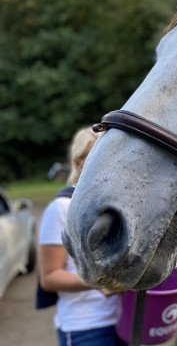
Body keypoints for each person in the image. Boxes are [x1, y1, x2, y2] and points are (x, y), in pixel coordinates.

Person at [39, 126, 126, 346]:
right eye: (98, 156)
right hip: (85, 328)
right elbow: (49, 277)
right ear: (78, 163)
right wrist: (104, 282)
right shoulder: (61, 208)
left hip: (124, 320)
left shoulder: (117, 206)